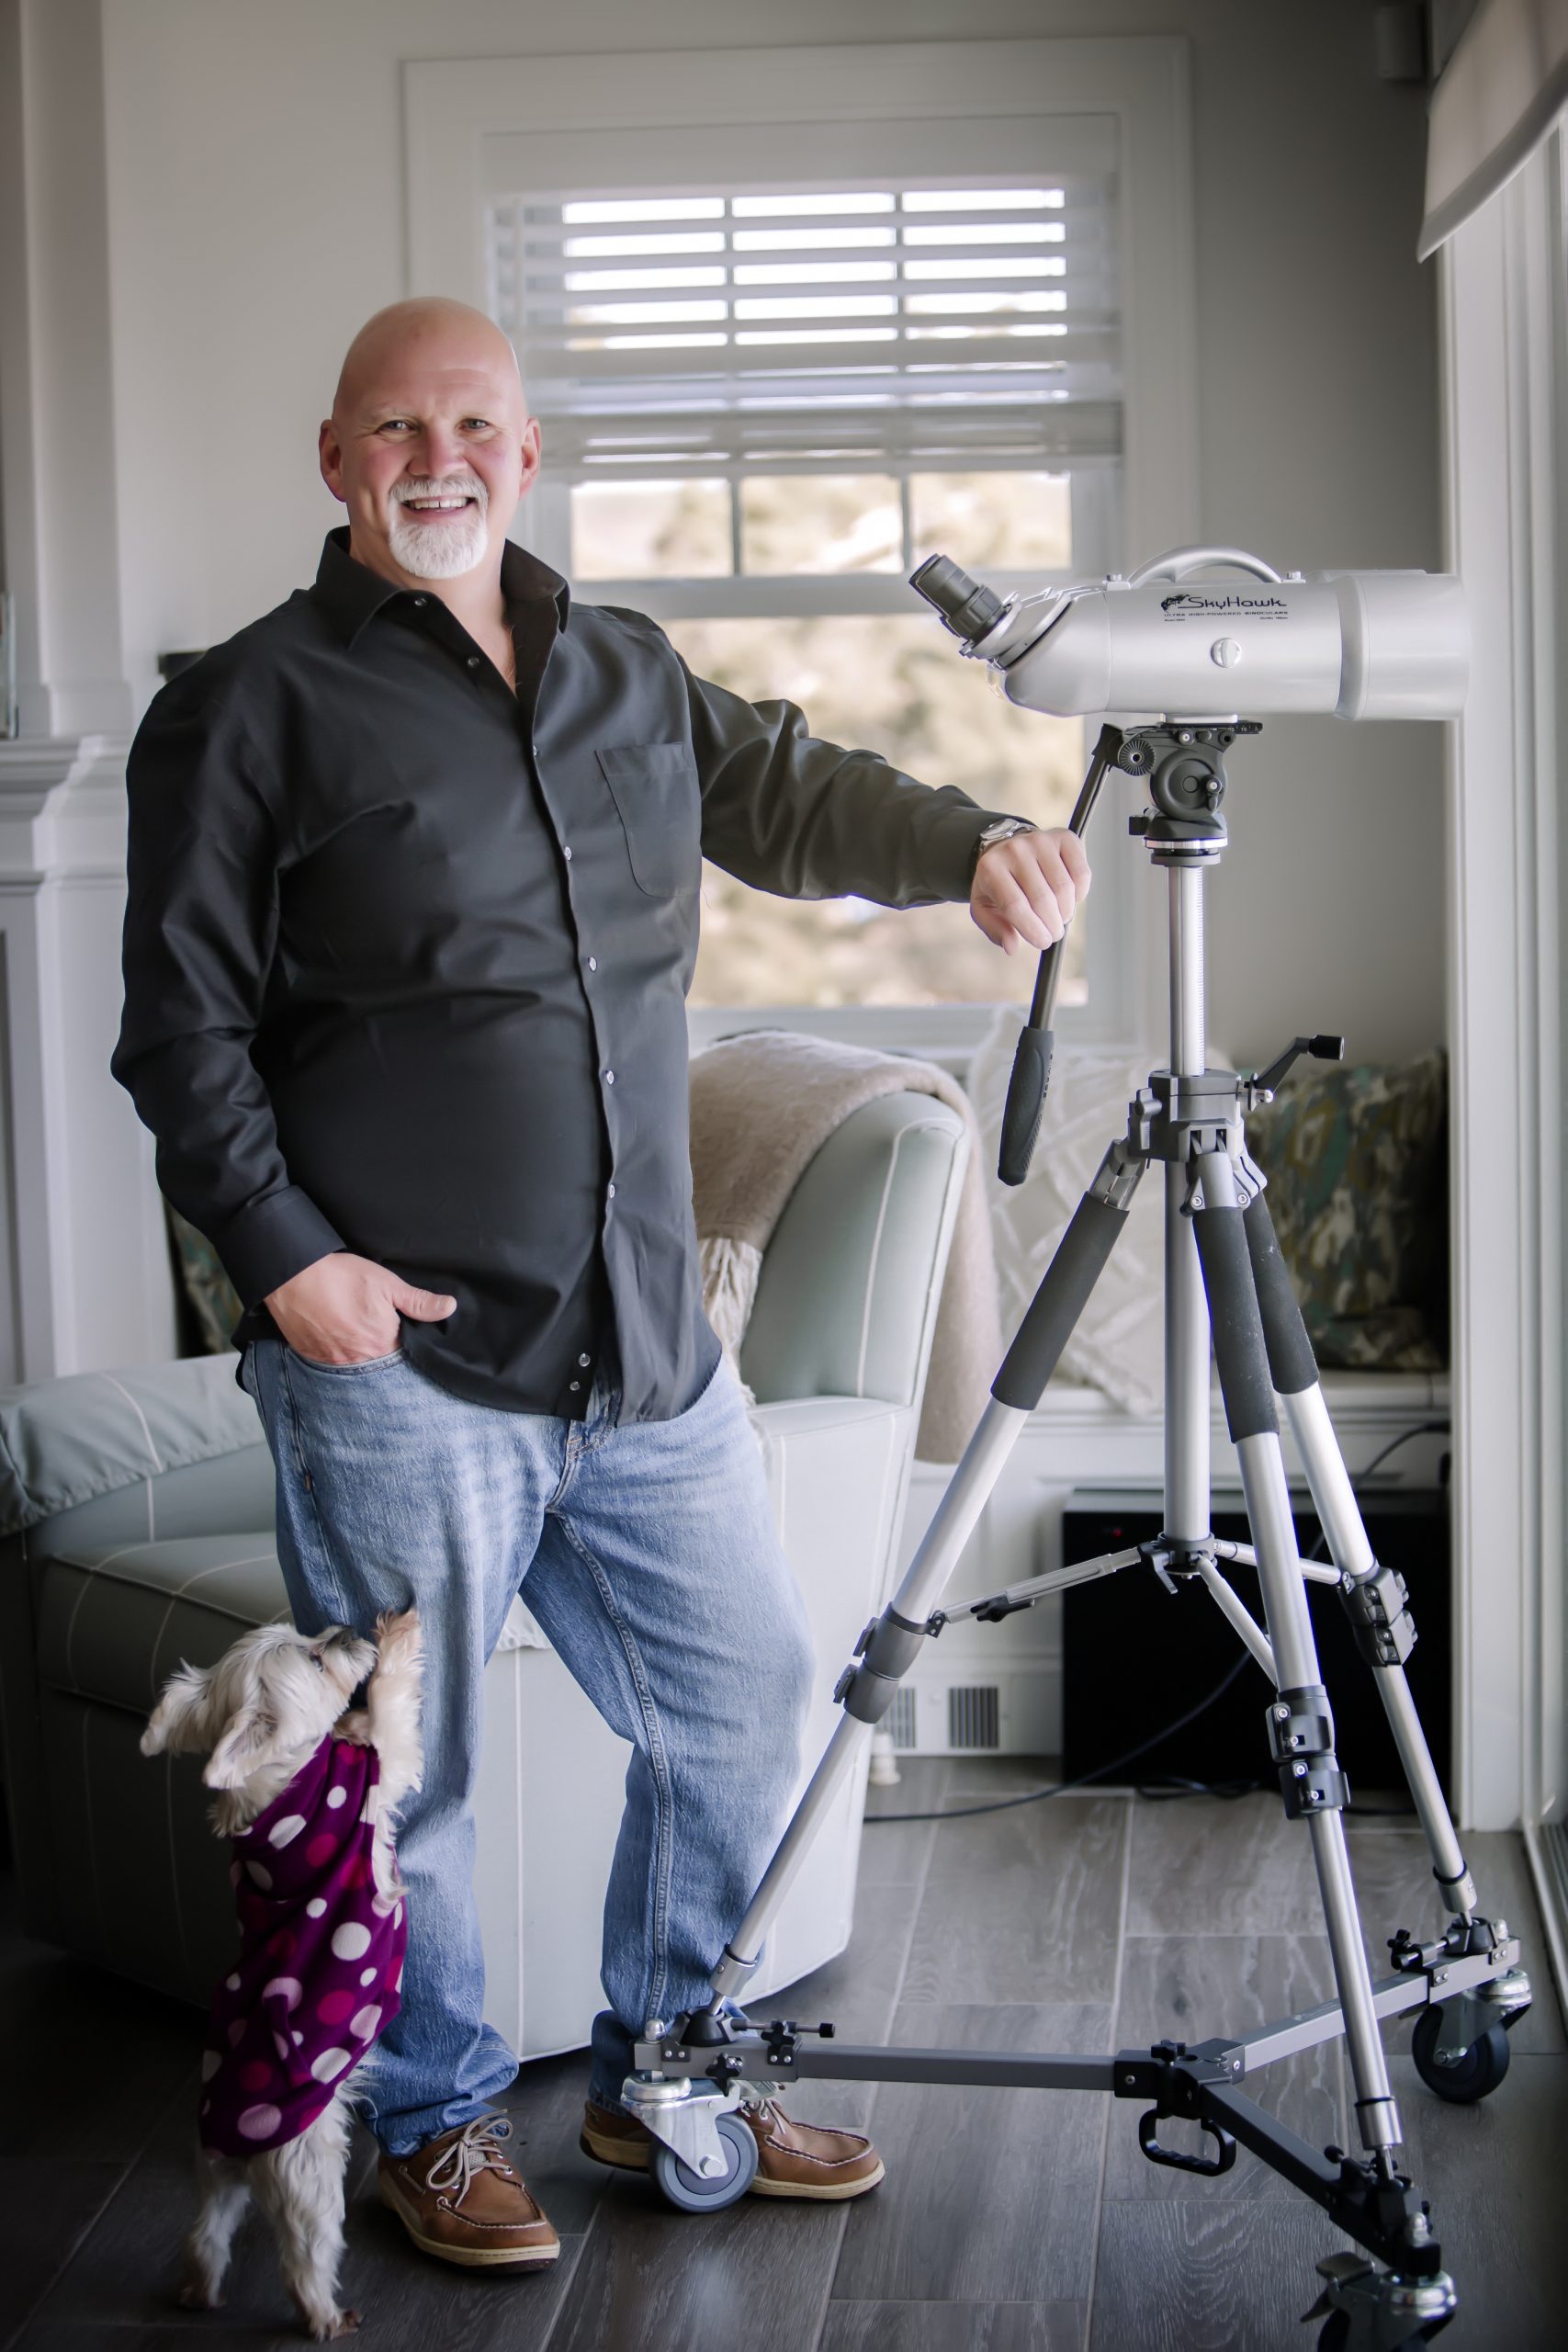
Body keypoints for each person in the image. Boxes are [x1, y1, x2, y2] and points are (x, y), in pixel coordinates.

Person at [113, 297, 1090, 2271]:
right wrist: (286, 1260)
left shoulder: (625, 671)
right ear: (336, 462)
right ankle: (435, 2118)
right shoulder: (248, 706)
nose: (435, 455)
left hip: (645, 1345)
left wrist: (974, 839)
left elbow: (799, 792)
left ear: (529, 452)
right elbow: (178, 1031)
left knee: (745, 1707)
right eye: (393, 427)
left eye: (470, 420)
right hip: (397, 1360)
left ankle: (670, 2073)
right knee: (427, 1775)